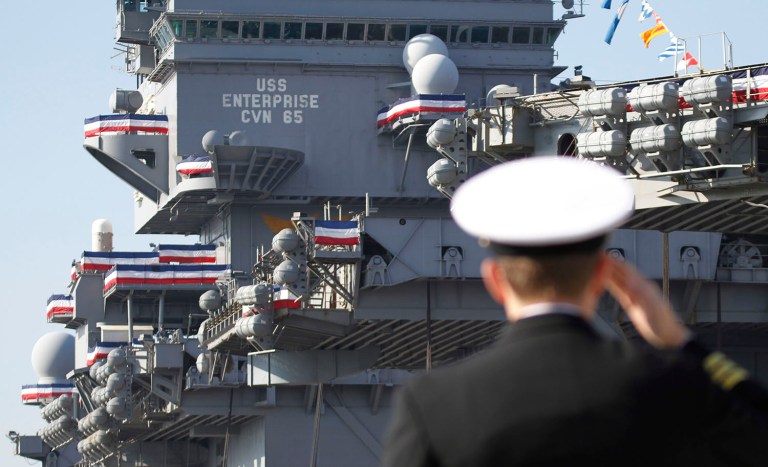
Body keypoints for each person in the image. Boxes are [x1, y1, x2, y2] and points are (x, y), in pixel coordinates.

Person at [382, 156, 768, 467]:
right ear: (604, 274)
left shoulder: (433, 402)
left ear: (495, 280)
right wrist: (682, 342)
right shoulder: (670, 382)